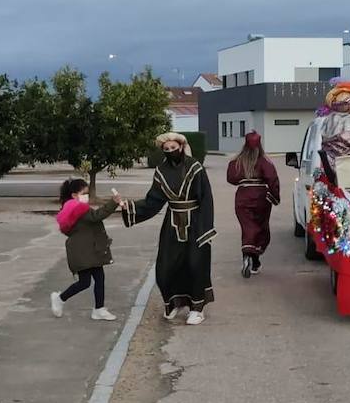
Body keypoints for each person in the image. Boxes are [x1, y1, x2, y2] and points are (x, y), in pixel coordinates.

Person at [120, 132, 216, 325]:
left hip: (196, 223)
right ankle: (173, 303)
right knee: (166, 266)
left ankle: (197, 308)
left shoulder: (195, 168)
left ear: (181, 146)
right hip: (172, 224)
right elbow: (153, 201)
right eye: (167, 149)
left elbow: (206, 199)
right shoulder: (161, 171)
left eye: (173, 148)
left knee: (196, 264)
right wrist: (129, 207)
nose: (171, 151)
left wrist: (206, 229)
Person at [50, 178, 119, 321]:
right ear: (74, 195)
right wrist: (113, 202)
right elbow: (96, 216)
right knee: (85, 282)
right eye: (84, 192)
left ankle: (98, 309)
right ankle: (60, 298)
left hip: (86, 249)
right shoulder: (78, 208)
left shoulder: (70, 207)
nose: (86, 195)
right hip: (84, 251)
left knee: (96, 278)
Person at [226, 131, 280, 278]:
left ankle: (249, 257)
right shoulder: (264, 161)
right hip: (261, 198)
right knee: (261, 228)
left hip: (243, 197)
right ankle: (252, 258)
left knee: (248, 227)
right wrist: (275, 197)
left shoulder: (237, 161)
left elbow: (231, 178)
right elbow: (273, 180)